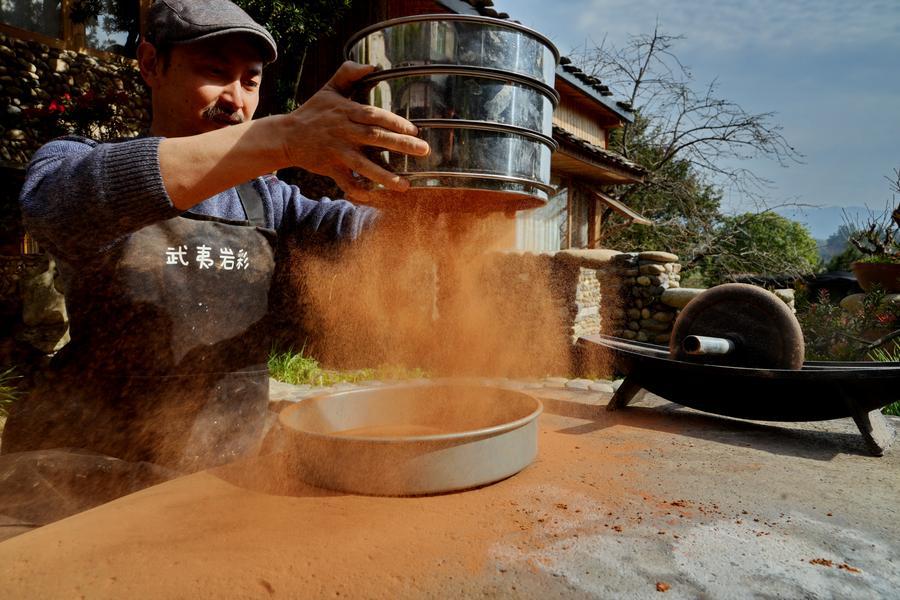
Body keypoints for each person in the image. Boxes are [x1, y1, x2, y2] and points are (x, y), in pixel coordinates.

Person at [0, 0, 429, 472]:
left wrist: (446, 201)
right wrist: (283, 138)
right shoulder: (73, 162)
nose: (235, 99)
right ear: (150, 64)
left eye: (250, 81)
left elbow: (359, 234)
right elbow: (53, 207)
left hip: (219, 480)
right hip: (86, 477)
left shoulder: (271, 202)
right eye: (214, 71)